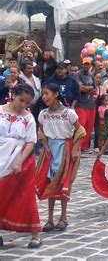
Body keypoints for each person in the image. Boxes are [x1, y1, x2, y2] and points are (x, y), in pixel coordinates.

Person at [36, 83, 86, 232]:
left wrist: (76, 148)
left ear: (56, 94)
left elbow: (80, 130)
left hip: (65, 149)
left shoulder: (68, 113)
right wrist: (45, 146)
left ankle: (63, 217)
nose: (44, 97)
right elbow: (42, 132)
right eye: (43, 94)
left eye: (47, 93)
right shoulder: (43, 114)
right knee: (50, 182)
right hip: (50, 151)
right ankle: (50, 218)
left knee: (64, 183)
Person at [0, 84, 42, 248]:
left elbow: (31, 141)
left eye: (27, 103)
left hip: (20, 158)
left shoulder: (28, 118)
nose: (23, 105)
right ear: (13, 95)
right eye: (21, 100)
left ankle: (35, 234)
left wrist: (19, 161)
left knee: (25, 196)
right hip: (1, 153)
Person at [74, 57, 96, 152]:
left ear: (90, 65)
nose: (86, 66)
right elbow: (80, 88)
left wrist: (87, 89)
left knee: (89, 126)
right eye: (85, 64)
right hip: (81, 104)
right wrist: (89, 88)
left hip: (91, 104)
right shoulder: (78, 75)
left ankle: (85, 146)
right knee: (81, 125)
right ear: (82, 64)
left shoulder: (92, 76)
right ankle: (78, 145)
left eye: (88, 64)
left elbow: (95, 90)